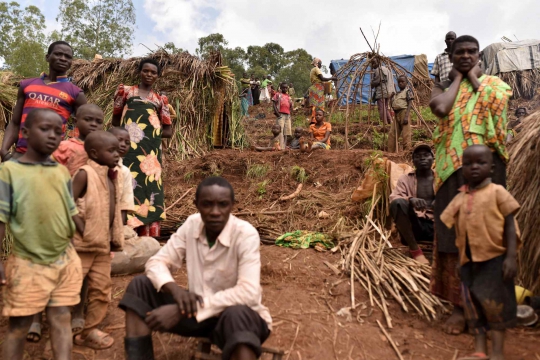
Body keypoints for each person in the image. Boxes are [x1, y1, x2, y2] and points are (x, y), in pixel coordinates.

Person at [119, 177, 272, 360]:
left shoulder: (245, 235)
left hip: (238, 322)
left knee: (236, 313)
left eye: (222, 205)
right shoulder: (192, 225)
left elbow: (249, 293)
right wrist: (175, 291)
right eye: (207, 205)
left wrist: (183, 310)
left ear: (232, 206)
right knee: (140, 286)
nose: (215, 212)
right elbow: (156, 262)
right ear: (197, 205)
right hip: (199, 318)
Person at [429, 35, 512, 335]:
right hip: (452, 171)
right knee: (454, 240)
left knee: (488, 237)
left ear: (479, 55)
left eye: (471, 52)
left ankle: (486, 307)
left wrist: (474, 79)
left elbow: (494, 107)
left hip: (490, 171)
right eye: (459, 53)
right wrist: (459, 80)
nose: (466, 55)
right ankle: (459, 307)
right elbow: (440, 109)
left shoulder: (494, 84)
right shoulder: (441, 87)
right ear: (450, 57)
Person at [0, 108, 82, 360]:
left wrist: (87, 232)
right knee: (18, 326)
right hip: (28, 262)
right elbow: (0, 219)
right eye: (44, 129)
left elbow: (70, 211)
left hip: (64, 259)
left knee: (61, 318)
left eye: (58, 132)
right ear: (24, 132)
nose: (52, 136)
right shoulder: (10, 172)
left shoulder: (60, 172)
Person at [441, 145, 519, 360]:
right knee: (473, 306)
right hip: (469, 262)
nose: (474, 167)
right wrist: (459, 259)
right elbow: (453, 226)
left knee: (494, 306)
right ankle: (480, 350)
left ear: (492, 168)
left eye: (481, 163)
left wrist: (511, 257)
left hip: (494, 260)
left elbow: (510, 225)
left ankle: (497, 353)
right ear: (462, 168)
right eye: (468, 164)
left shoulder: (497, 193)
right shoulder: (461, 197)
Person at [71, 131, 124, 350]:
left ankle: (89, 331)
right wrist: (83, 230)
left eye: (117, 150)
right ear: (94, 153)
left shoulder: (112, 176)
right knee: (71, 288)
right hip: (82, 245)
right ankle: (61, 334)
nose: (116, 154)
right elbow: (67, 203)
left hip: (102, 245)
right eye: (111, 150)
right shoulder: (84, 173)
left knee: (102, 288)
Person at [112, 58, 172, 237]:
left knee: (149, 187)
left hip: (150, 153)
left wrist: (149, 133)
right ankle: (124, 231)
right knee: (127, 183)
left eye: (153, 72)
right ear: (139, 72)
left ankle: (148, 233)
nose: (149, 74)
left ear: (157, 76)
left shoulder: (160, 100)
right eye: (146, 71)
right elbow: (116, 121)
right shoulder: (126, 92)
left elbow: (168, 131)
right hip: (127, 149)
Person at [0, 41, 87, 162]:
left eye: (68, 57)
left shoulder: (76, 93)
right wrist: (4, 151)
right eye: (58, 54)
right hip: (19, 156)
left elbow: (87, 129)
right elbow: (15, 122)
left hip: (51, 160)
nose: (63, 58)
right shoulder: (27, 85)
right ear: (47, 57)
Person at [389, 145, 435, 265]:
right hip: (415, 226)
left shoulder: (442, 177)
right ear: (413, 161)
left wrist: (441, 201)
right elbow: (394, 197)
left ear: (433, 158)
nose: (422, 159)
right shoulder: (405, 179)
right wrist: (411, 200)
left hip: (439, 226)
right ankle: (416, 251)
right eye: (418, 157)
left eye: (426, 155)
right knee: (398, 203)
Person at [52, 104, 104, 175]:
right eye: (88, 119)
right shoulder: (64, 147)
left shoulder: (104, 149)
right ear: (75, 122)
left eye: (99, 122)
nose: (94, 124)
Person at [109, 127, 136, 224]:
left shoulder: (125, 172)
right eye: (119, 140)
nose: (123, 145)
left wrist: (120, 230)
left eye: (127, 143)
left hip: (113, 223)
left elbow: (124, 205)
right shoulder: (95, 164)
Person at [388, 75, 413, 152]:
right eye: (399, 82)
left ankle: (407, 152)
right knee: (392, 134)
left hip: (404, 112)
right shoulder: (396, 93)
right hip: (396, 114)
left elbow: (410, 104)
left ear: (406, 83)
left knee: (406, 134)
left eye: (403, 82)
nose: (400, 83)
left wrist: (406, 116)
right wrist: (391, 98)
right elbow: (392, 104)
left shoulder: (408, 91)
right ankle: (390, 152)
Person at [308, 58, 336, 124]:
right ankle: (317, 120)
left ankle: (313, 119)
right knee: (319, 105)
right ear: (317, 63)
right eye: (320, 63)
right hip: (317, 88)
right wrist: (332, 78)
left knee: (314, 105)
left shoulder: (312, 70)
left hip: (314, 87)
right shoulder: (316, 69)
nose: (321, 64)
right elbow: (322, 79)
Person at [371, 58, 395, 125]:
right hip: (389, 91)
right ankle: (390, 121)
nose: (373, 65)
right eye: (372, 63)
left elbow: (376, 81)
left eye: (374, 63)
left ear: (378, 62)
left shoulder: (378, 70)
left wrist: (372, 84)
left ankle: (384, 123)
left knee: (381, 108)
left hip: (382, 92)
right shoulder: (387, 69)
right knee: (385, 107)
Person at [273, 83, 293, 148]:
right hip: (280, 114)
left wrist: (290, 112)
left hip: (287, 115)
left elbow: (291, 106)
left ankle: (284, 145)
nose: (285, 89)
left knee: (286, 131)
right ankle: (279, 145)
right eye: (283, 88)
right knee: (280, 130)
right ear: (280, 88)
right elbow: (274, 104)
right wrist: (277, 114)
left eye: (286, 88)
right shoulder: (278, 94)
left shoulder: (288, 96)